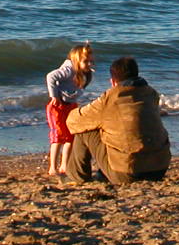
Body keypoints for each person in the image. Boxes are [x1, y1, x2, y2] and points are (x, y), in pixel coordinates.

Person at [65, 56, 171, 185]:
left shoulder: (111, 98)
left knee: (85, 131)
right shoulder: (151, 93)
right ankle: (103, 172)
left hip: (127, 173)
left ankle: (76, 176)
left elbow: (75, 121)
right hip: (159, 168)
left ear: (113, 81)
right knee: (121, 129)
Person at [45, 43, 94, 175]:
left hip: (70, 105)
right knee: (58, 137)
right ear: (76, 60)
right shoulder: (68, 69)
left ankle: (65, 165)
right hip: (57, 106)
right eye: (86, 61)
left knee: (70, 136)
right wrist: (54, 96)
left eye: (91, 61)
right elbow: (51, 76)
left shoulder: (83, 73)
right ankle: (53, 167)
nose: (89, 64)